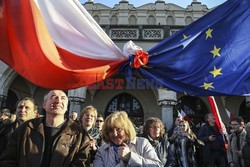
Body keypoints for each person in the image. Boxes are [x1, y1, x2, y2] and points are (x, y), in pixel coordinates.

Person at [0, 90, 90, 167]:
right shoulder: (26, 128)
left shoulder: (79, 135)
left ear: (66, 107)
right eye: (53, 97)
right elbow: (9, 159)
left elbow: (81, 163)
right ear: (44, 105)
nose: (58, 101)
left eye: (63, 98)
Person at [93, 111, 163, 166]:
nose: (115, 134)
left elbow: (157, 165)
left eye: (119, 129)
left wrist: (130, 156)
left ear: (126, 129)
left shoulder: (142, 143)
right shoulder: (102, 151)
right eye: (111, 130)